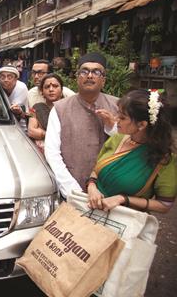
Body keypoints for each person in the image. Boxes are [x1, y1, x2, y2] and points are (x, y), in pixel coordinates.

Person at [87, 89, 176, 213]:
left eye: (122, 117)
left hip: (122, 222)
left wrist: (123, 199)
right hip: (91, 211)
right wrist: (91, 186)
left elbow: (164, 205)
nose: (116, 119)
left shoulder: (164, 159)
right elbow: (97, 169)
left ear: (142, 125)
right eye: (118, 113)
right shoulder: (117, 138)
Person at [45, 52, 118, 199]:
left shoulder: (118, 106)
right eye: (84, 71)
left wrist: (112, 126)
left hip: (113, 191)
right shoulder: (60, 108)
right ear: (77, 78)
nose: (89, 76)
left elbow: (130, 144)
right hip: (72, 188)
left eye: (96, 72)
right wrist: (72, 190)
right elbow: (52, 153)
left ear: (103, 80)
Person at [27, 73, 64, 153]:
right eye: (47, 87)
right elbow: (31, 131)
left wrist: (42, 133)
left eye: (55, 86)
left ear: (61, 90)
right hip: (41, 154)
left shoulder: (68, 109)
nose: (51, 89)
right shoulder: (36, 108)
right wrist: (56, 136)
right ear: (42, 92)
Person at [0, 65, 28, 129]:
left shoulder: (21, 87)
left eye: (9, 77)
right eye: (2, 77)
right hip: (1, 125)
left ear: (16, 79)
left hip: (21, 127)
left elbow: (11, 109)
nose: (6, 80)